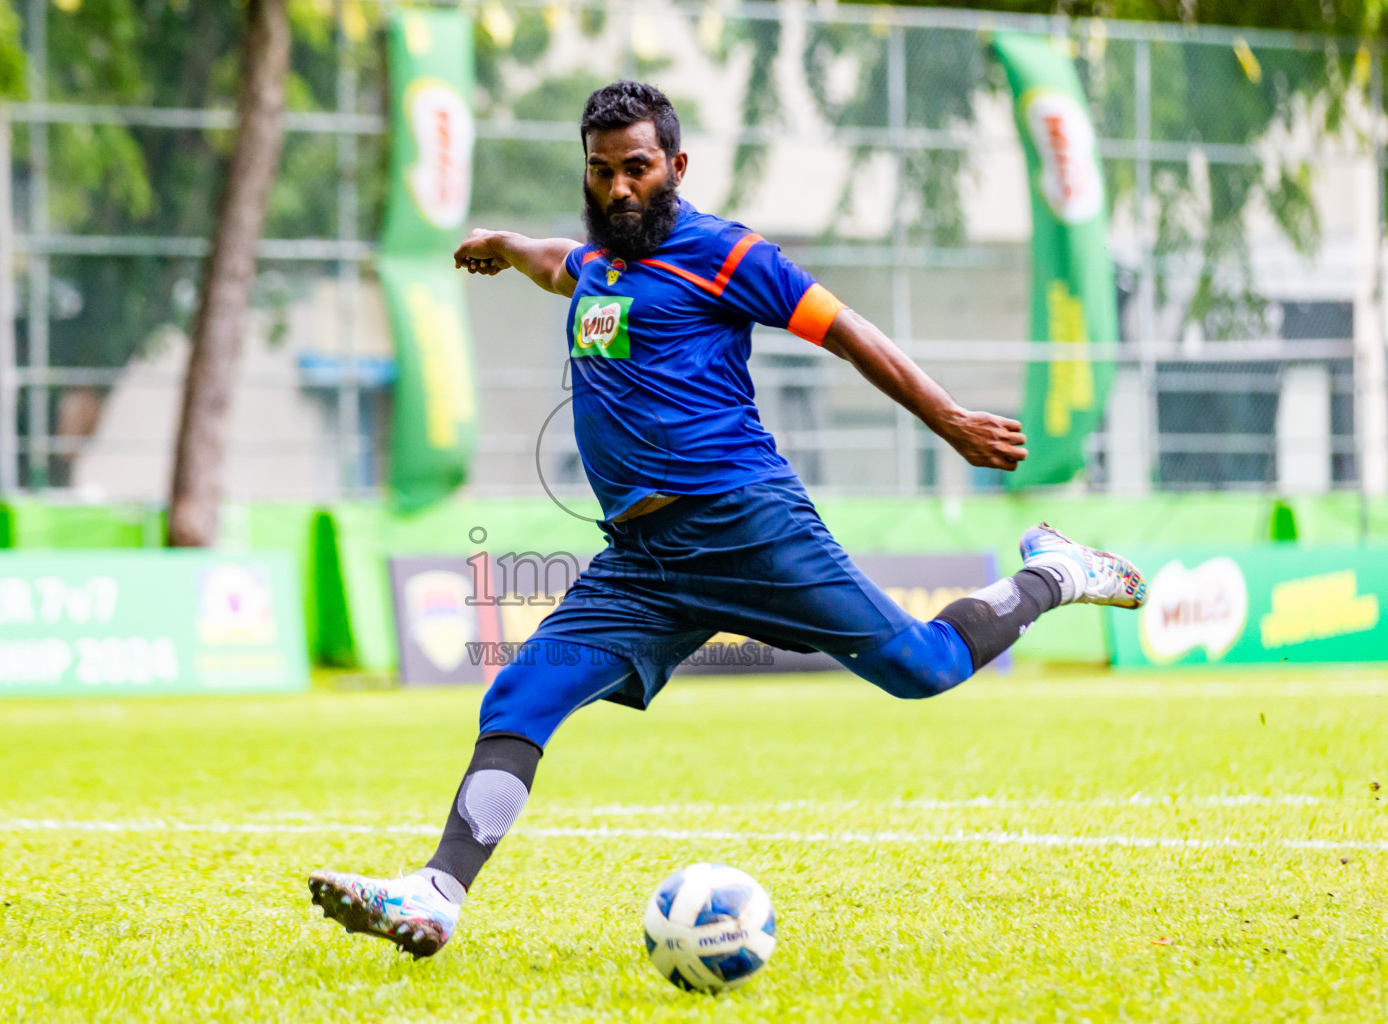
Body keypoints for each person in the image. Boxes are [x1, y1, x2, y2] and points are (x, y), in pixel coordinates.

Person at [308, 81, 1146, 958]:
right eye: (601, 173)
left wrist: (950, 420)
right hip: (641, 561)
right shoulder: (597, 263)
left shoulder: (726, 252)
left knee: (923, 669)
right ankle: (438, 894)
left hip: (747, 527)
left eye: (637, 169)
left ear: (675, 165)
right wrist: (505, 246)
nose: (619, 189)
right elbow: (557, 261)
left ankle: (1057, 572)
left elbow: (845, 328)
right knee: (520, 692)